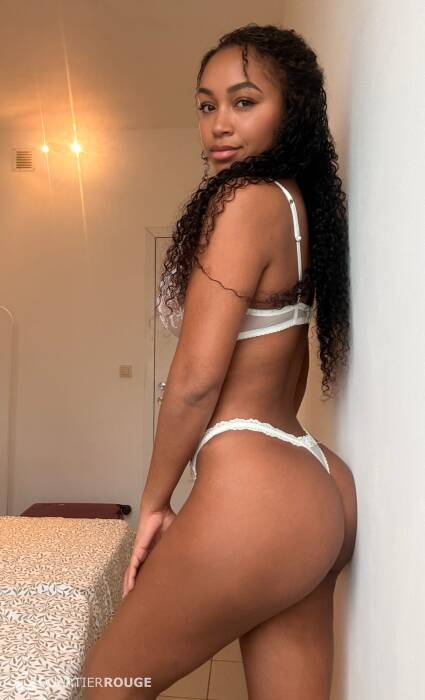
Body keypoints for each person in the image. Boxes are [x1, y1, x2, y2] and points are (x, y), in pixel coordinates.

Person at [82, 23, 357, 700]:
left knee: (105, 684)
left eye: (243, 101)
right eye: (207, 106)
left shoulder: (243, 202)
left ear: (290, 110)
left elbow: (195, 381)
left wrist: (154, 504)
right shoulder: (295, 205)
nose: (219, 124)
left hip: (256, 494)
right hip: (317, 485)